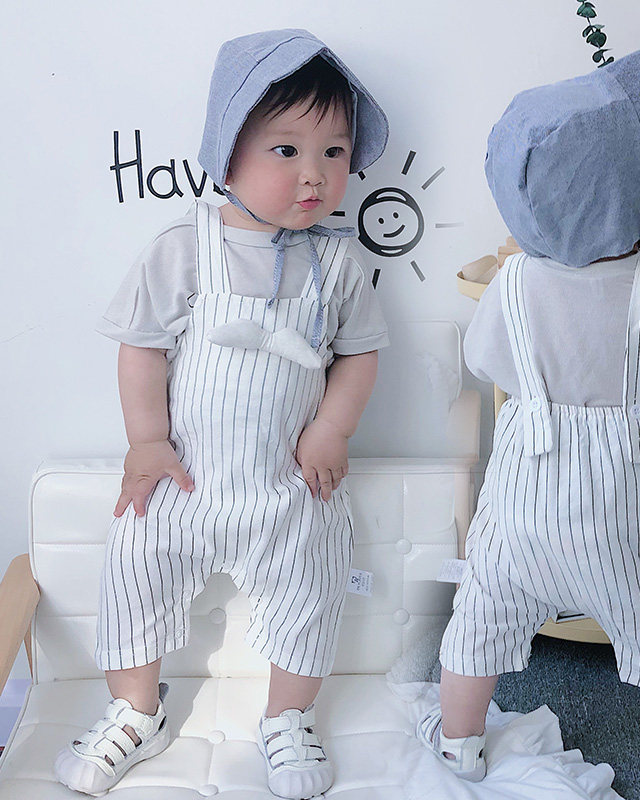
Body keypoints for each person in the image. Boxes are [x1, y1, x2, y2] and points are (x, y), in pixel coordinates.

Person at [54, 29, 389, 799]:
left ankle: (288, 716)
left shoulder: (339, 263)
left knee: (312, 582)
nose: (314, 174)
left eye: (334, 152)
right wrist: (147, 441)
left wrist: (332, 428)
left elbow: (360, 355)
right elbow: (141, 347)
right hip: (186, 477)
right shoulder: (186, 247)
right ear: (227, 154)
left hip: (286, 485)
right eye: (286, 150)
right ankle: (136, 710)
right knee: (135, 563)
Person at [417, 44, 640, 781]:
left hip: (522, 495)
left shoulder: (513, 281)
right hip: (620, 508)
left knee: (482, 613)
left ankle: (459, 739)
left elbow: (486, 361)